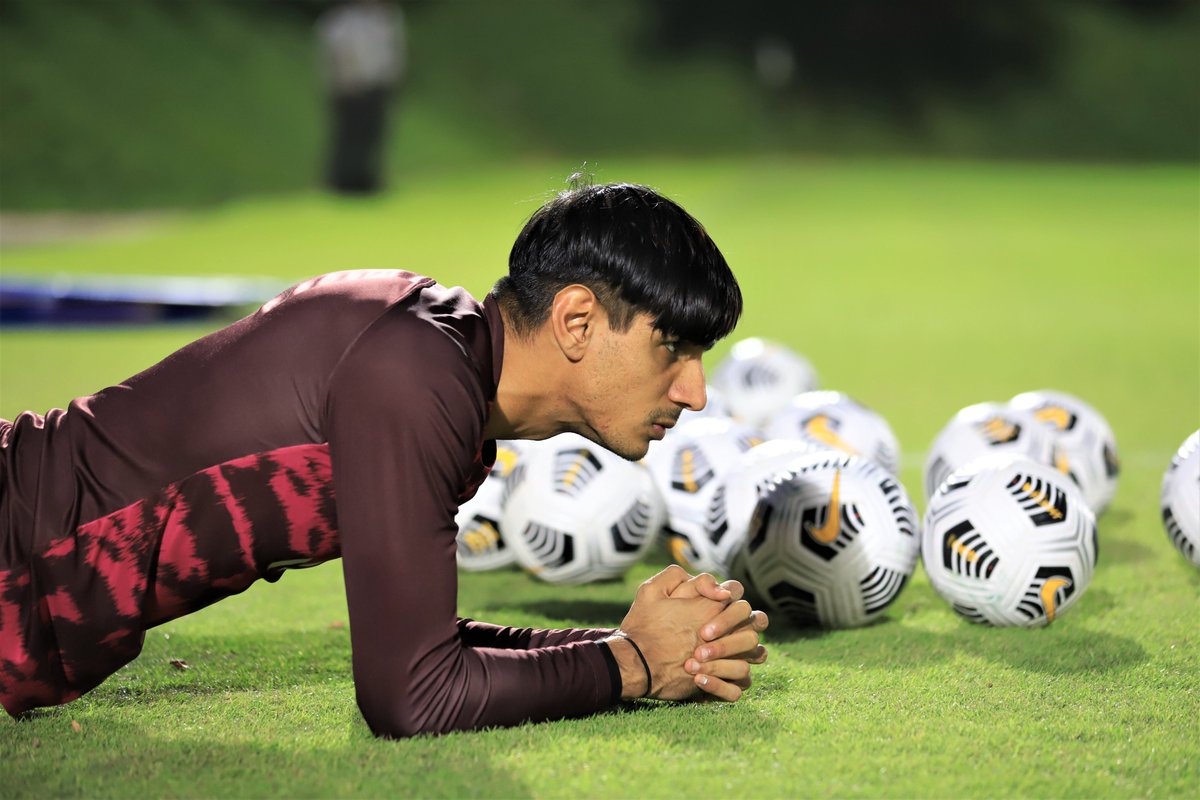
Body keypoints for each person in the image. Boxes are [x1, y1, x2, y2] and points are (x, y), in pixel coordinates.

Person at [0, 182, 768, 738]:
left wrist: (625, 647)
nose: (696, 390)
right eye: (673, 346)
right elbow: (413, 697)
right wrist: (632, 667)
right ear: (576, 320)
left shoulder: (440, 369)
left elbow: (424, 642)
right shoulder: (416, 377)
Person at [316, 0, 404, 194]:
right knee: (348, 137)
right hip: (348, 88)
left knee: (372, 135)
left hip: (376, 85)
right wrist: (340, 84)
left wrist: (391, 78)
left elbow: (390, 53)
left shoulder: (383, 20)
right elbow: (335, 56)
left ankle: (366, 179)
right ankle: (342, 181)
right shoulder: (339, 22)